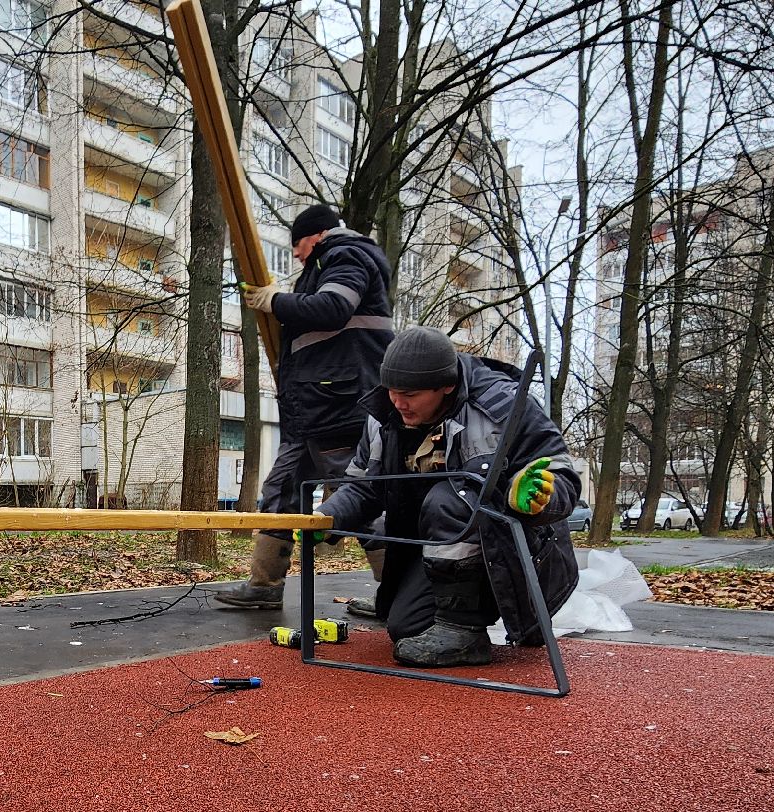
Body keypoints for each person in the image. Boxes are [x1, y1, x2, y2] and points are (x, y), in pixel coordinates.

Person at [315, 327, 581, 667]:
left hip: (513, 554)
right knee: (405, 627)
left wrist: (540, 494)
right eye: (391, 391)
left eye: (409, 394)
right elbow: (365, 485)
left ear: (447, 385)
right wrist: (326, 518)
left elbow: (563, 475)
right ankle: (446, 620)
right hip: (441, 551)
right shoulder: (384, 414)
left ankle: (464, 629)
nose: (398, 403)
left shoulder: (503, 405)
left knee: (451, 494)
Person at [214, 203, 394, 609]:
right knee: (280, 492)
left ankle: (398, 595)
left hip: (340, 407)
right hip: (314, 409)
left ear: (315, 236)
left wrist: (277, 302)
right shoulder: (328, 264)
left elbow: (333, 308)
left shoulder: (346, 255)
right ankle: (264, 585)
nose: (296, 254)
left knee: (360, 498)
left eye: (297, 244)